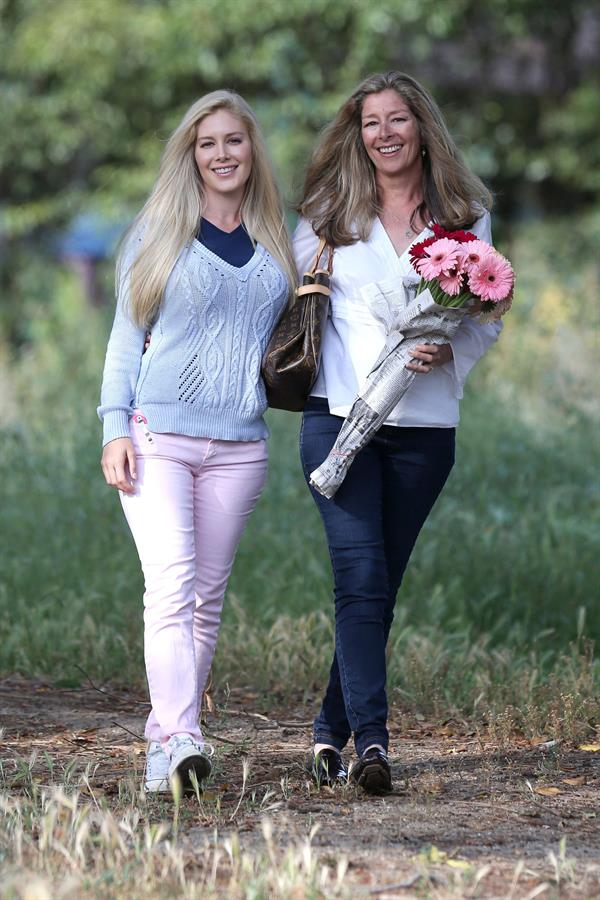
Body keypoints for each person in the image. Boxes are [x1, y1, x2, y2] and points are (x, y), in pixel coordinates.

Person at [294, 71, 502, 794]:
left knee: (381, 586)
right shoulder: (327, 214)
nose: (384, 134)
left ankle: (327, 731)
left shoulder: (465, 216)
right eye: (371, 122)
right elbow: (281, 297)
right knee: (359, 581)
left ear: (422, 128)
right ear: (358, 134)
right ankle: (372, 744)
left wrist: (456, 347)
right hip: (339, 422)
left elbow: (490, 313)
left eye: (397, 120)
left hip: (424, 427)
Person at [98, 90, 295, 794]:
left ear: (251, 150)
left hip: (242, 443)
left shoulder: (281, 238)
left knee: (205, 600)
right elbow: (126, 338)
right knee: (171, 587)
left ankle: (165, 748)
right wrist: (112, 425)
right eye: (208, 142)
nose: (222, 154)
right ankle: (183, 734)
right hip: (159, 435)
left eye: (234, 141)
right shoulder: (156, 232)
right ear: (191, 153)